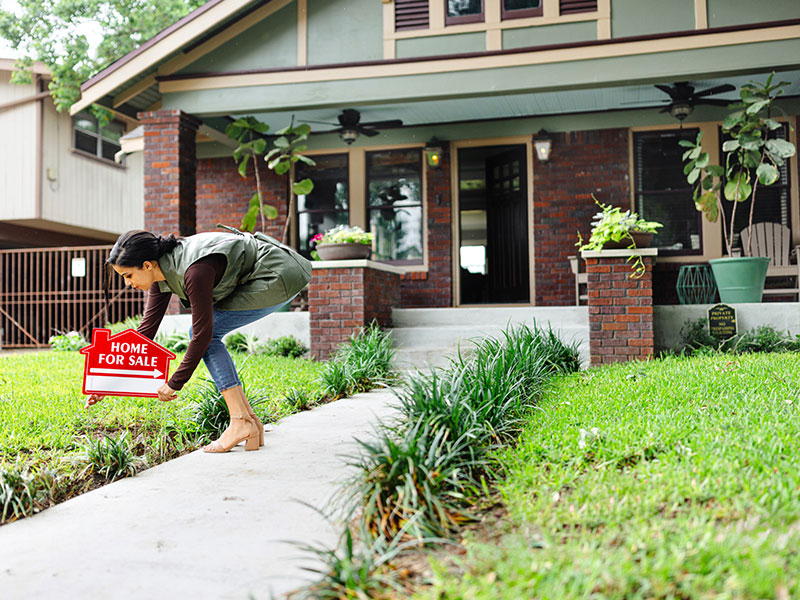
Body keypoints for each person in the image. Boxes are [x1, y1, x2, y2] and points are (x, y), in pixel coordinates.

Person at [86, 226, 312, 453]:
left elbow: (202, 335)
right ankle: (249, 421)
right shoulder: (161, 272)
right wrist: (107, 383)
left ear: (146, 265)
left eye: (128, 276)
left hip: (278, 274)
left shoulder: (195, 271)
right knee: (205, 334)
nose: (127, 283)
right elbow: (145, 333)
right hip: (267, 271)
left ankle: (241, 421)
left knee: (205, 335)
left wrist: (175, 382)